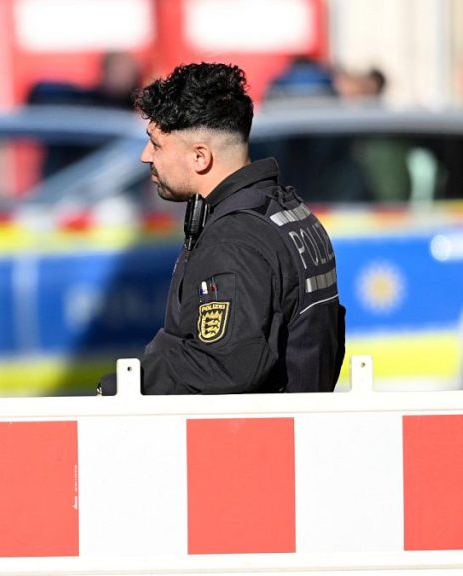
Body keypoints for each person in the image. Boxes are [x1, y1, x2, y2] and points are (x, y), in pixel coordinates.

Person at [100, 62, 345, 395]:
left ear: (201, 157)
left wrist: (125, 388)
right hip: (295, 432)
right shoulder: (285, 210)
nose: (146, 157)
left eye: (156, 145)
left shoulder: (234, 240)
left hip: (257, 441)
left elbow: (223, 366)